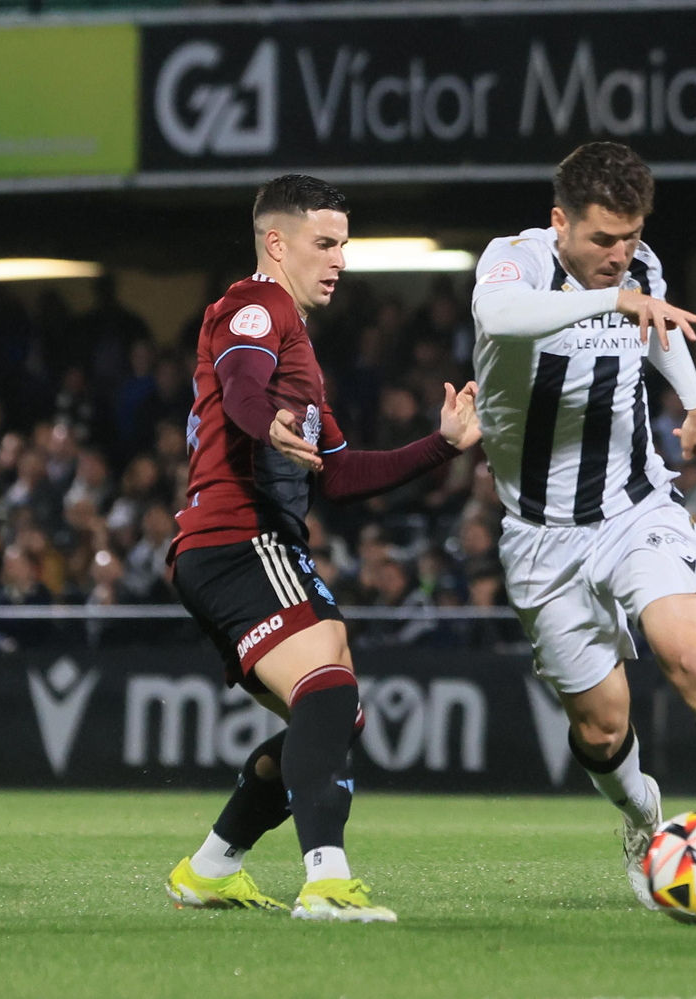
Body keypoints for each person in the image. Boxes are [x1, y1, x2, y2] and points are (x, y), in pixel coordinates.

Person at [471, 142, 696, 911]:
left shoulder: (641, 267)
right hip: (540, 536)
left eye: (630, 238)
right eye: (602, 239)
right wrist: (613, 300)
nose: (619, 255)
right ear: (560, 222)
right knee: (601, 728)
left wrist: (694, 397)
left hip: (635, 507)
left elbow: (656, 327)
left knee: (689, 651)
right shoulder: (515, 263)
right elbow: (501, 317)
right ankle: (642, 816)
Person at [164, 175, 482, 923]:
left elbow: (338, 472)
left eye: (344, 243)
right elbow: (242, 383)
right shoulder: (257, 304)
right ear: (278, 243)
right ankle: (326, 881)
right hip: (239, 535)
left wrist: (441, 446)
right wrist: (260, 423)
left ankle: (210, 868)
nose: (340, 259)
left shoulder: (298, 345)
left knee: (335, 710)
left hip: (242, 543)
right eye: (325, 242)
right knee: (331, 685)